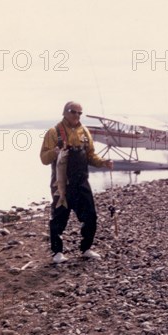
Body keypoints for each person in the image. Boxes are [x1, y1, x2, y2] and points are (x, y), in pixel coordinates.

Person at [40, 101, 113, 264]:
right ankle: (57, 252)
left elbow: (91, 156)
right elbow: (44, 159)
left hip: (82, 182)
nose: (77, 116)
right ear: (65, 112)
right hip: (61, 183)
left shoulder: (85, 131)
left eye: (80, 113)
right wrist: (55, 152)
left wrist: (103, 162)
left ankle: (86, 248)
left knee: (91, 216)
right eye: (74, 112)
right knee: (59, 217)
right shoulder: (54, 132)